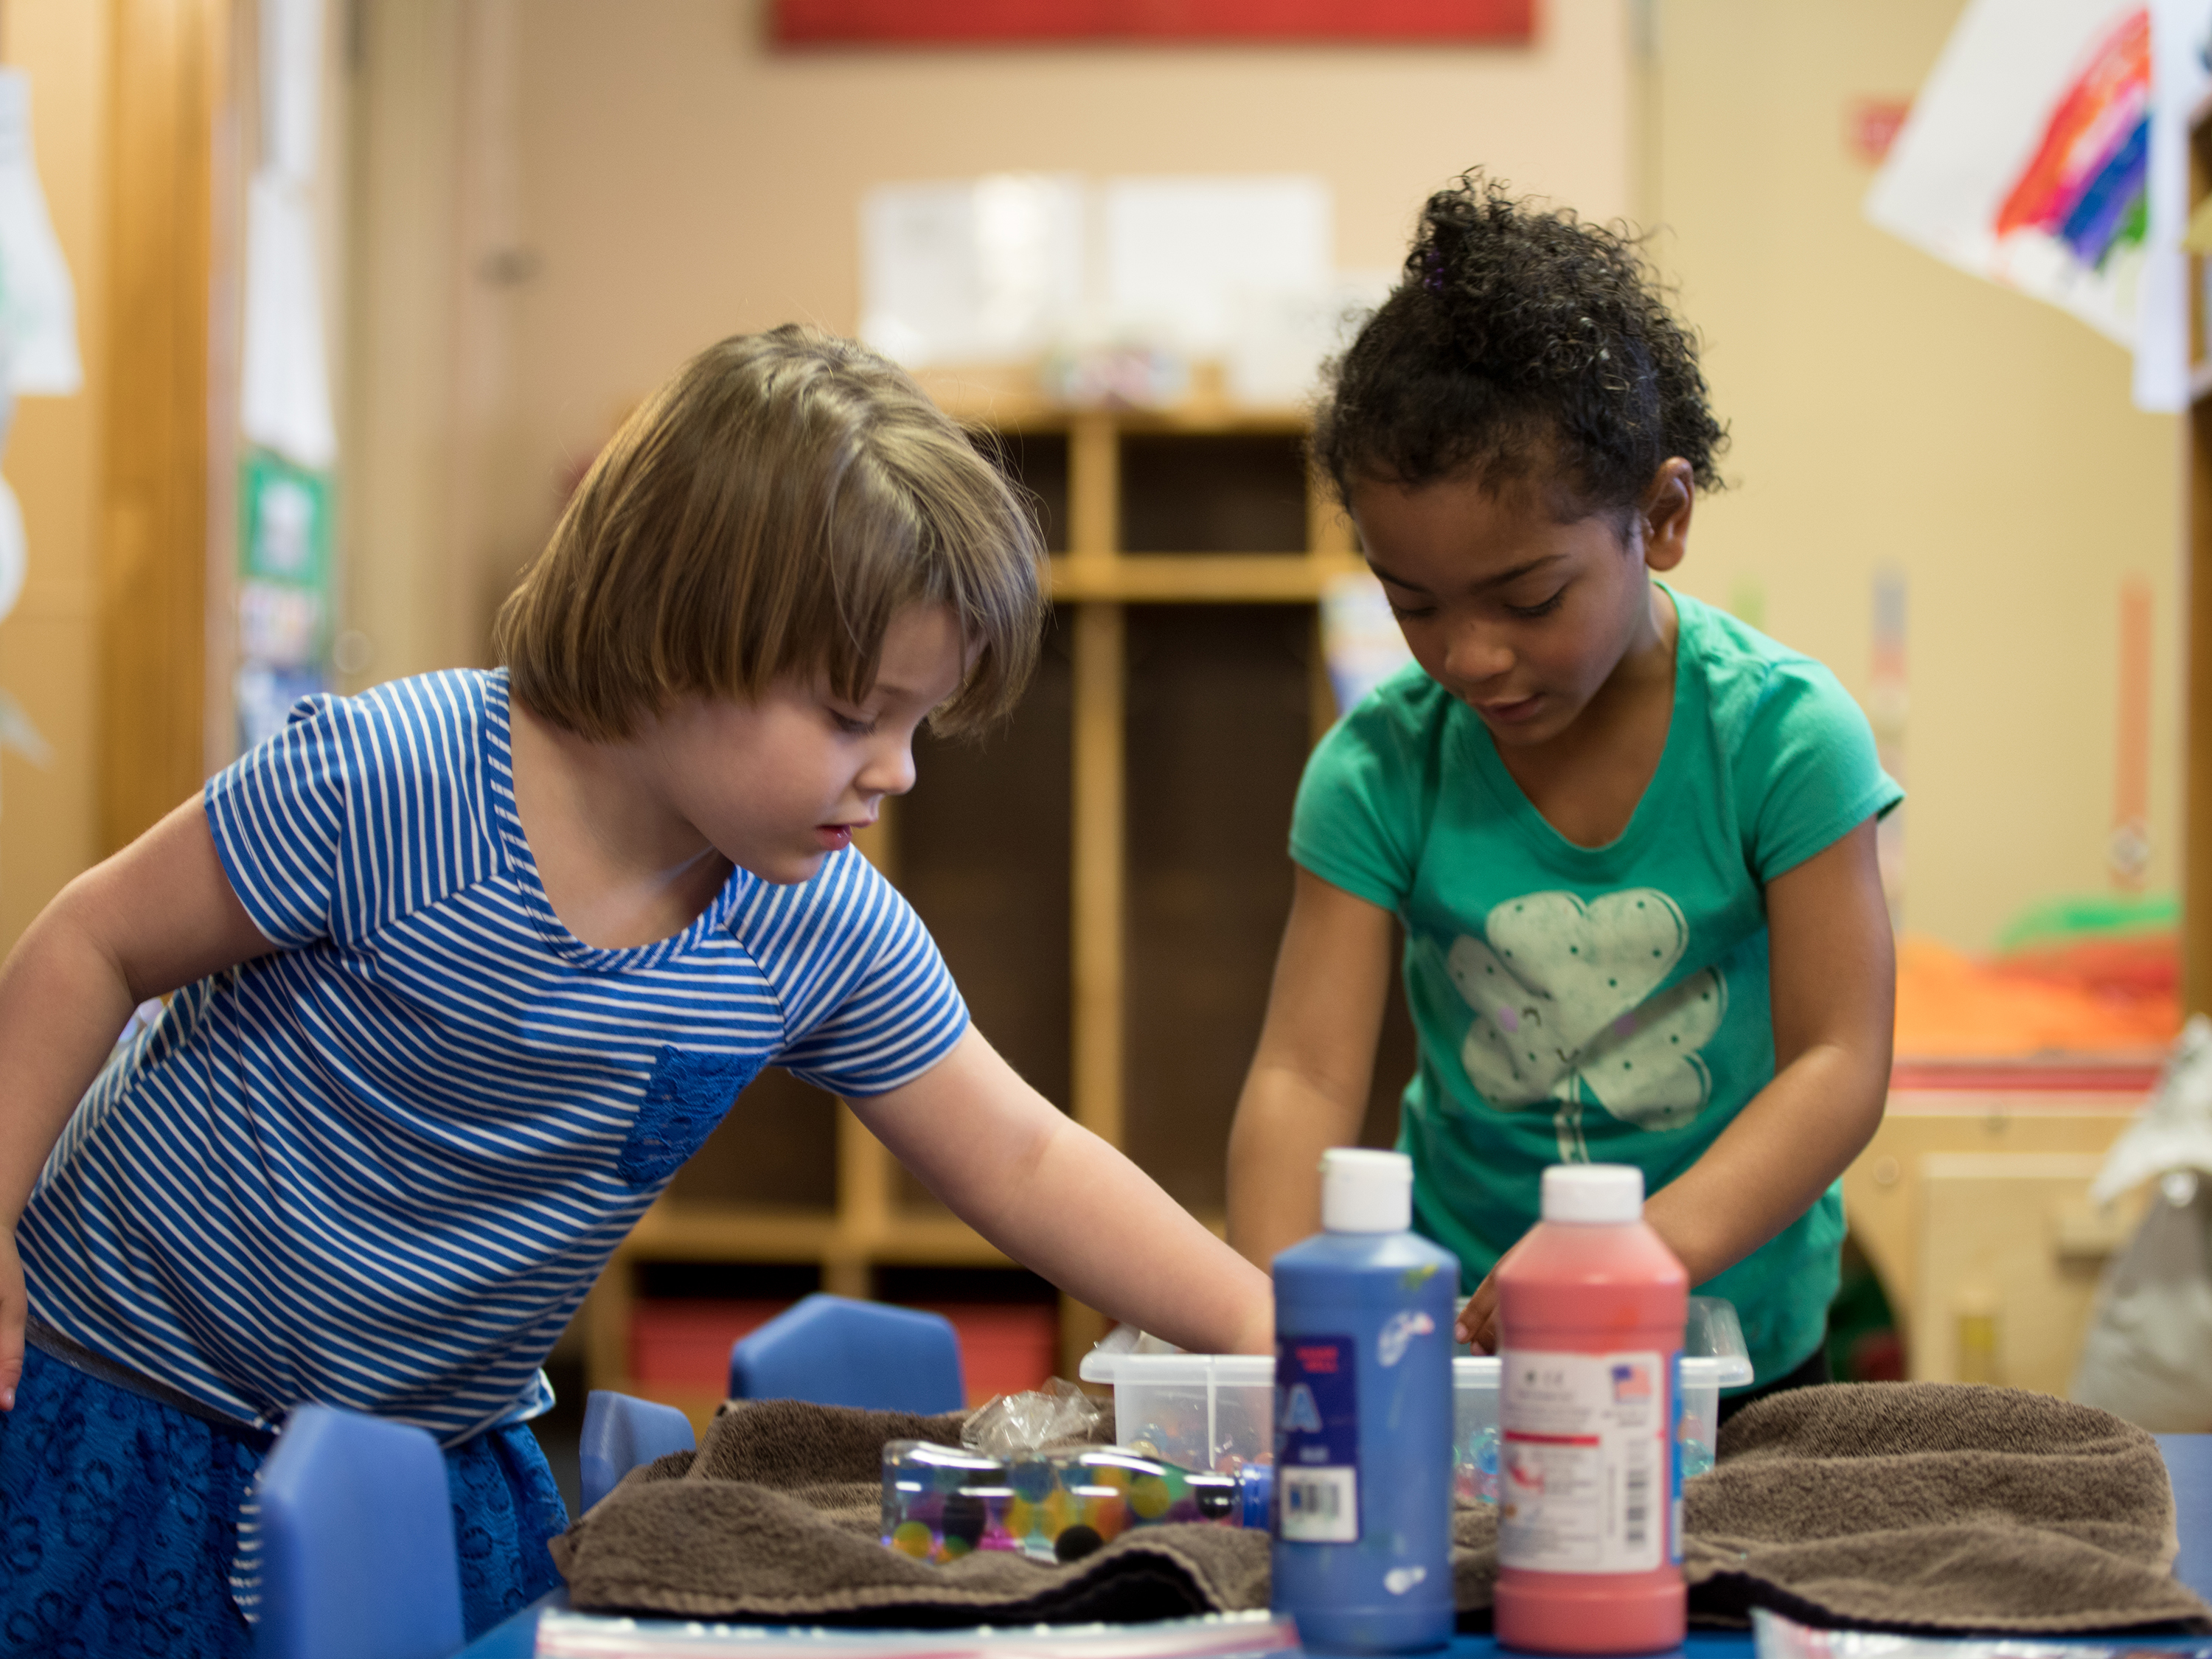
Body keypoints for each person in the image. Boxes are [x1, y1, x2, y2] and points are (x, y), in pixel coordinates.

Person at [0, 326, 1273, 1655]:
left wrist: (1262, 1325)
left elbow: (1020, 1155)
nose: (897, 770)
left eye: (919, 724)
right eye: (853, 716)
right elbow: (93, 941)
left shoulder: (810, 919)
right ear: (680, 636)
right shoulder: (398, 778)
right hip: (123, 1393)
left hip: (425, 1450)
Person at [1225, 175, 1898, 1411]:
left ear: (1665, 515)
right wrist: (1290, 1321)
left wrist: (1635, 1256)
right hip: (1467, 1349)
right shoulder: (1381, 766)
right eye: (1412, 603)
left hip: (1729, 1341)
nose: (1470, 656)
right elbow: (1303, 1080)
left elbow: (1839, 1061)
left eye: (1529, 599)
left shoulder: (1787, 738)